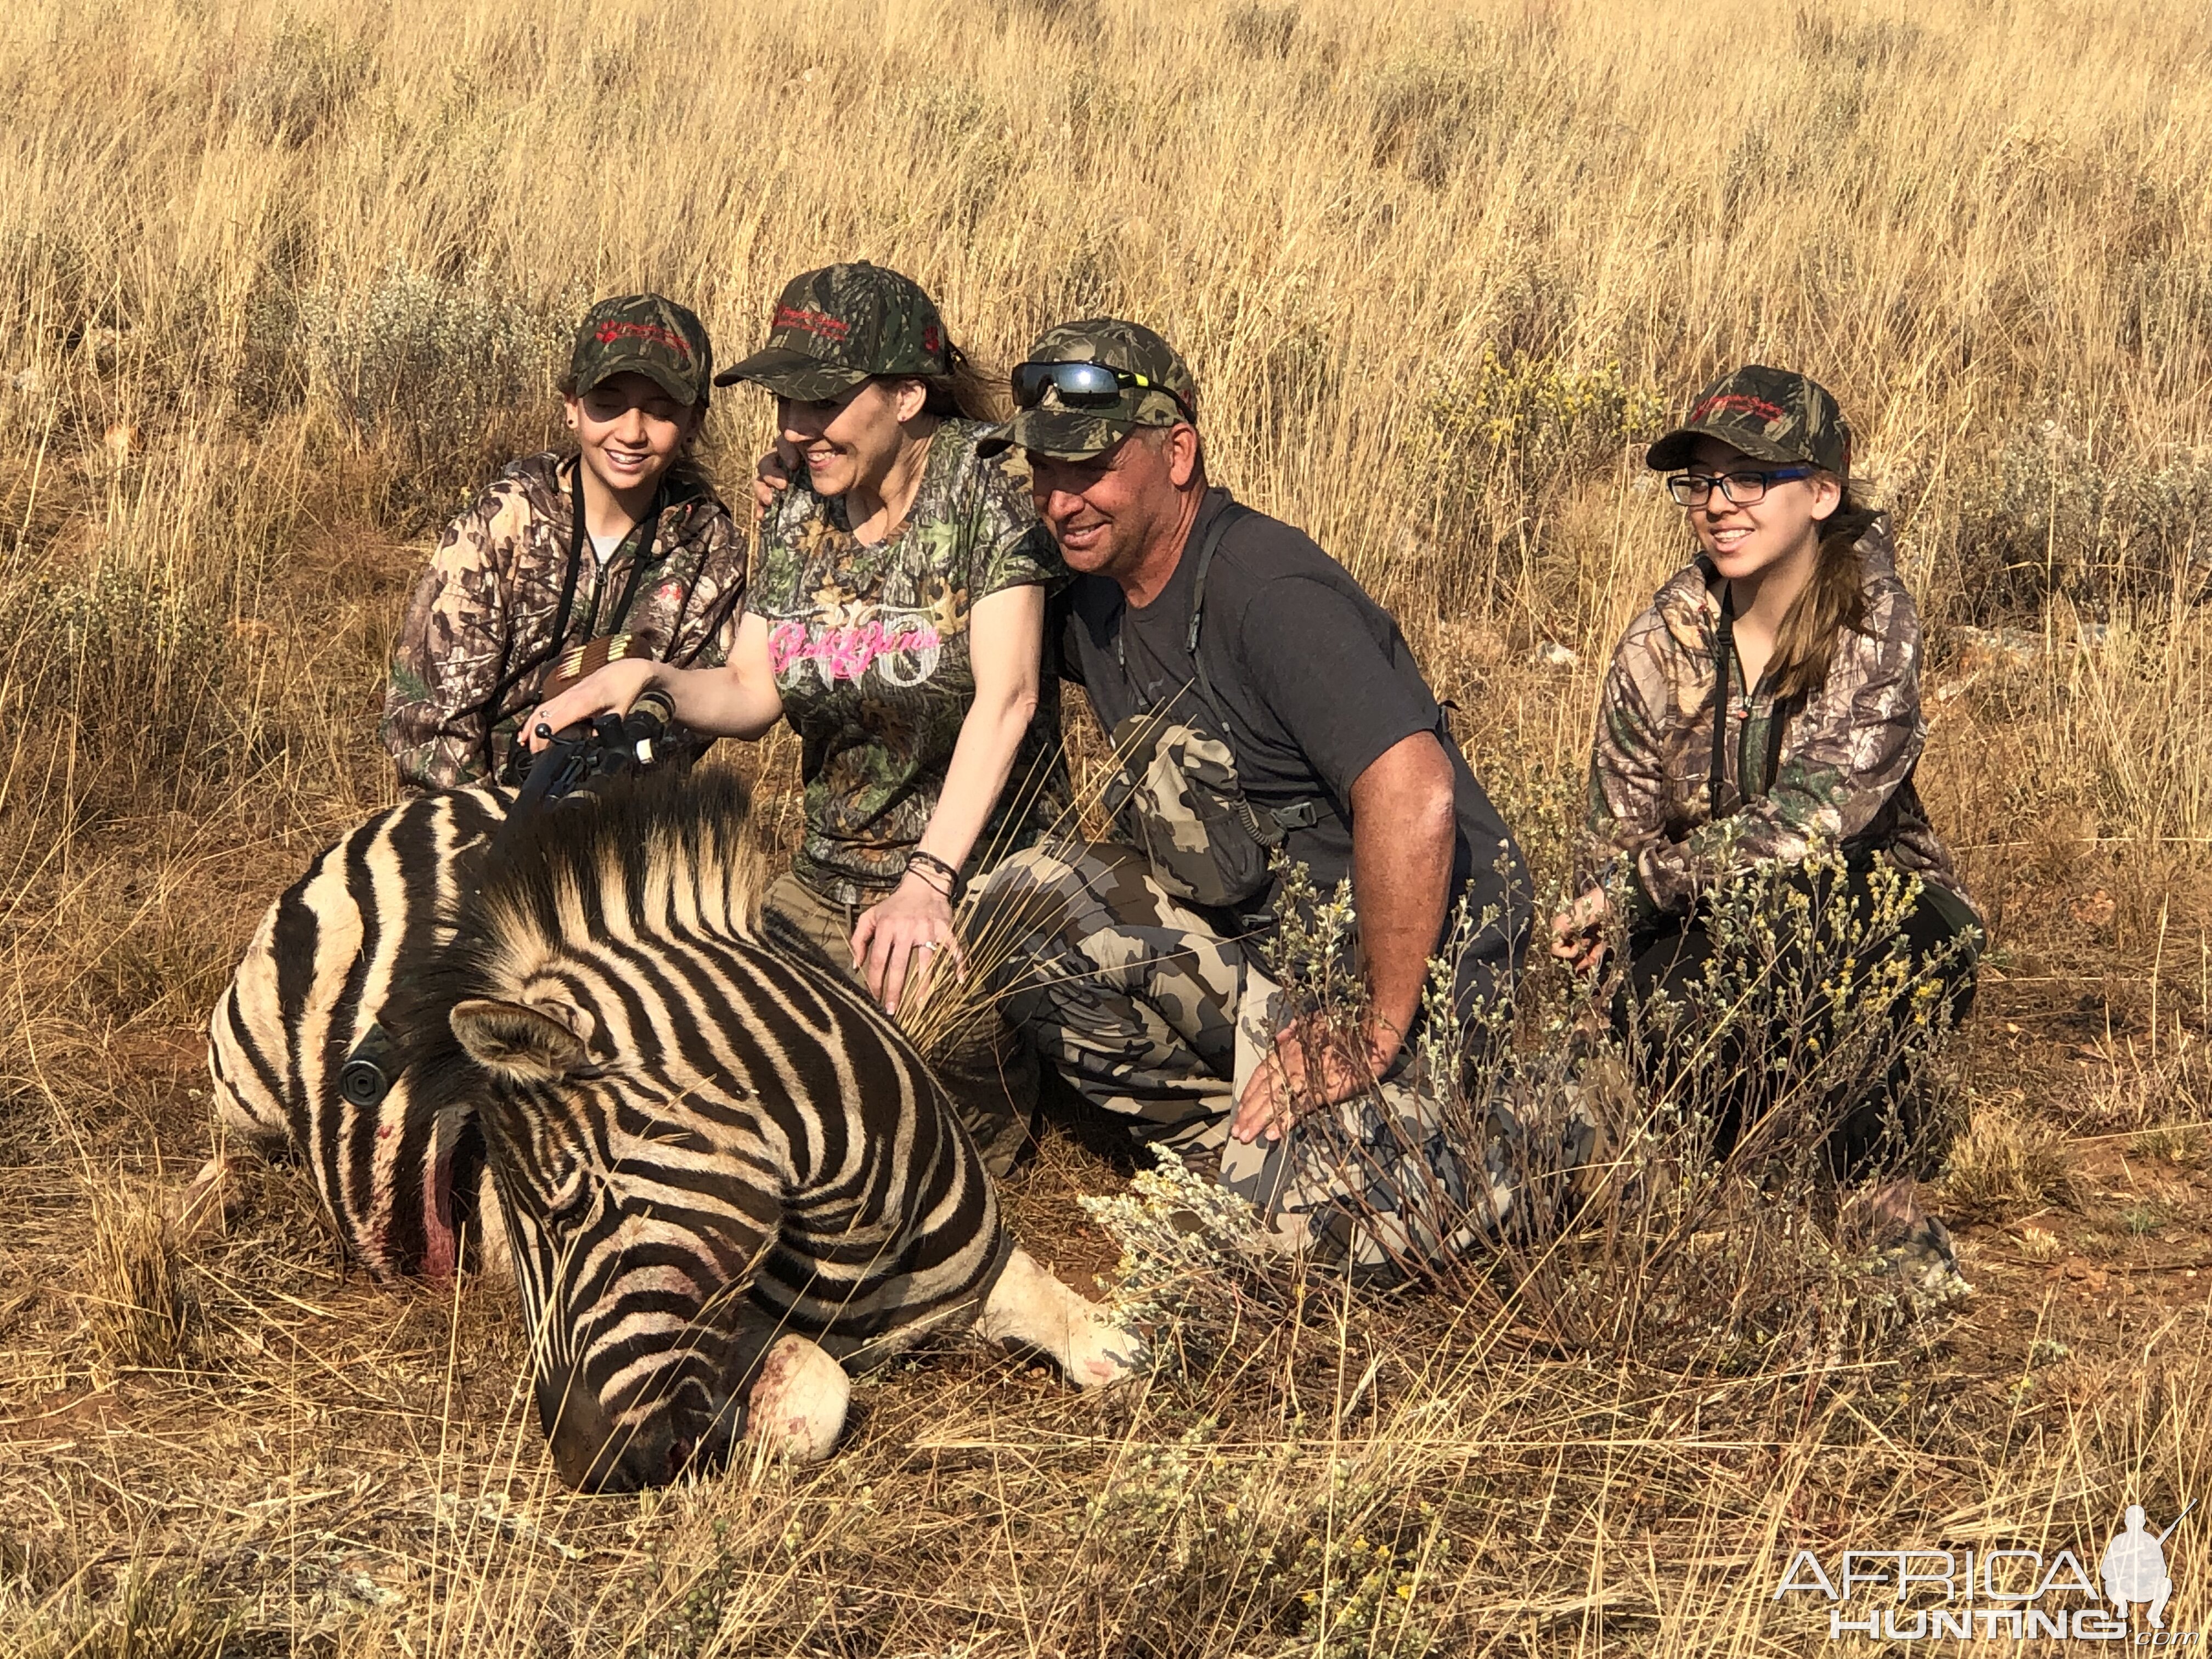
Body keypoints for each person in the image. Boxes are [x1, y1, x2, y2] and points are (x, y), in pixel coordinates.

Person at [966, 318, 1533, 1271]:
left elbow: (1415, 788)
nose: (1061, 499)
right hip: (1269, 974)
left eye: (1089, 467)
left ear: (1177, 452)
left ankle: (1487, 1131)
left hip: (1416, 998)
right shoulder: (1095, 585)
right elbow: (962, 615)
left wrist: (1375, 1027)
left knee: (1276, 1246)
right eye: (1043, 473)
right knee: (1014, 900)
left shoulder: (1267, 589)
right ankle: (1238, 1133)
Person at [526, 263, 1068, 1173]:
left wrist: (928, 883)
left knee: (902, 1135)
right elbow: (752, 689)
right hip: (823, 881)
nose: (796, 427)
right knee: (715, 1081)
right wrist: (646, 676)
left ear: (906, 393)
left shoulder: (989, 487)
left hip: (965, 880)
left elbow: (1007, 699)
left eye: (823, 400)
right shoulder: (798, 508)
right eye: (787, 401)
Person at [1551, 364, 1981, 1172]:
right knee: (1652, 1014)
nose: (1718, 504)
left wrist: (1638, 893)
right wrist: (1604, 954)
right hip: (1713, 920)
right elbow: (1612, 839)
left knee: (1803, 947)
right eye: (1702, 481)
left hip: (1883, 904)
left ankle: (1870, 1181)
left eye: (1751, 478)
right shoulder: (1659, 642)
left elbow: (1812, 824)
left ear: (1822, 493)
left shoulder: (1871, 618)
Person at [381, 295, 747, 789]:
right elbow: (430, 722)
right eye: (607, 405)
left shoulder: (710, 550)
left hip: (620, 816)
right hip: (478, 815)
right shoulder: (504, 521)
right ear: (572, 407)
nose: (631, 432)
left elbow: (684, 729)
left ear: (693, 424)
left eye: (660, 412)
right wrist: (490, 831)